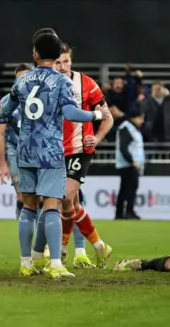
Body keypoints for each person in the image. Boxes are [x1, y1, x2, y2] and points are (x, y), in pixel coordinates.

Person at [0, 30, 110, 278]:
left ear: (35, 54)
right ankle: (56, 264)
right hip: (50, 151)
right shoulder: (62, 82)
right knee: (52, 206)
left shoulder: (21, 81)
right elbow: (71, 113)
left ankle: (26, 262)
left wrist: (0, 111)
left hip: (25, 150)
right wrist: (96, 115)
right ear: (57, 55)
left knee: (27, 206)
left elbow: (4, 113)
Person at [54, 43, 114, 268]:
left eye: (65, 61)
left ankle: (61, 248)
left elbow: (107, 118)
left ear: (71, 60)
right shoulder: (49, 83)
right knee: (71, 204)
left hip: (80, 149)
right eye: (57, 62)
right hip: (55, 150)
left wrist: (96, 138)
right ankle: (99, 246)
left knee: (66, 198)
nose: (62, 66)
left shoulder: (87, 84)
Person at [0, 63, 32, 219]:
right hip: (15, 150)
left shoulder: (43, 98)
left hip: (37, 150)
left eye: (26, 77)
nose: (22, 81)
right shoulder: (6, 101)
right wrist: (3, 164)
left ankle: (41, 237)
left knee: (41, 197)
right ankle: (23, 231)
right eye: (19, 78)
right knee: (22, 197)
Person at [115, 109, 145, 220]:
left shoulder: (131, 128)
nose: (142, 121)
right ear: (133, 118)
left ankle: (120, 213)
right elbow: (123, 147)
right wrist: (132, 160)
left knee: (124, 189)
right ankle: (128, 211)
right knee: (130, 188)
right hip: (129, 164)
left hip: (130, 164)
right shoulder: (127, 128)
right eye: (140, 118)